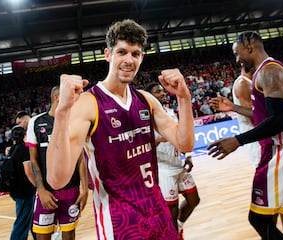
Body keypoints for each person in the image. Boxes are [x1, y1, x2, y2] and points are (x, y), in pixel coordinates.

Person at [46, 19, 194, 240]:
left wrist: (184, 97)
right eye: (122, 52)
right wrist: (62, 111)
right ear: (108, 54)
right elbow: (57, 179)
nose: (129, 60)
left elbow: (185, 143)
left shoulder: (146, 100)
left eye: (135, 54)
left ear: (142, 57)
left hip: (158, 212)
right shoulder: (88, 104)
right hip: (120, 222)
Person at [207, 31, 283, 239]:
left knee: (259, 217)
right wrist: (233, 107)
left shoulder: (269, 71)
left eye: (237, 53)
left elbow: (280, 119)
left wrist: (238, 140)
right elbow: (265, 115)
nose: (237, 59)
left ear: (249, 46)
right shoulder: (265, 71)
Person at [26, 86, 88, 240]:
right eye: (71, 97)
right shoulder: (36, 122)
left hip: (71, 190)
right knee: (42, 236)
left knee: (69, 236)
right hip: (47, 192)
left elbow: (80, 157)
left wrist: (85, 189)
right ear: (57, 97)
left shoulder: (74, 121)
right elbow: (33, 160)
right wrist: (40, 189)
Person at [145, 82, 199, 240]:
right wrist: (163, 137)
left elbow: (181, 134)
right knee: (172, 211)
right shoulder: (147, 116)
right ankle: (174, 236)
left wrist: (188, 155)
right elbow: (145, 143)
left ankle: (179, 227)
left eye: (162, 91)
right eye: (157, 92)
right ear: (150, 96)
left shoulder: (169, 111)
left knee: (194, 200)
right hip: (164, 169)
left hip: (179, 164)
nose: (162, 94)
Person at [7, 125, 37, 240]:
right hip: (24, 190)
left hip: (15, 189)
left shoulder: (11, 150)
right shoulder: (24, 149)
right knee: (22, 221)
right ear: (24, 135)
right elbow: (28, 171)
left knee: (29, 219)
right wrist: (38, 186)